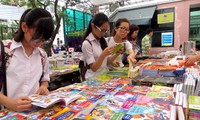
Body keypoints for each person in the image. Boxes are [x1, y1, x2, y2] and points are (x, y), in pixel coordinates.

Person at [0, 8, 54, 112]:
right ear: (24, 27)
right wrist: (10, 103)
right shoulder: (5, 50)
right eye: (37, 37)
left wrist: (43, 87)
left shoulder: (42, 55)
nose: (39, 43)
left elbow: (45, 79)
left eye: (43, 40)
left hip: (35, 111)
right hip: (8, 112)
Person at [81, 13, 122, 79]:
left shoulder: (102, 41)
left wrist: (117, 54)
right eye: (102, 30)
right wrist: (103, 54)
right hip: (93, 79)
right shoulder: (86, 44)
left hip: (104, 76)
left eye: (105, 31)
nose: (103, 33)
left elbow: (107, 62)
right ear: (93, 26)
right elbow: (94, 68)